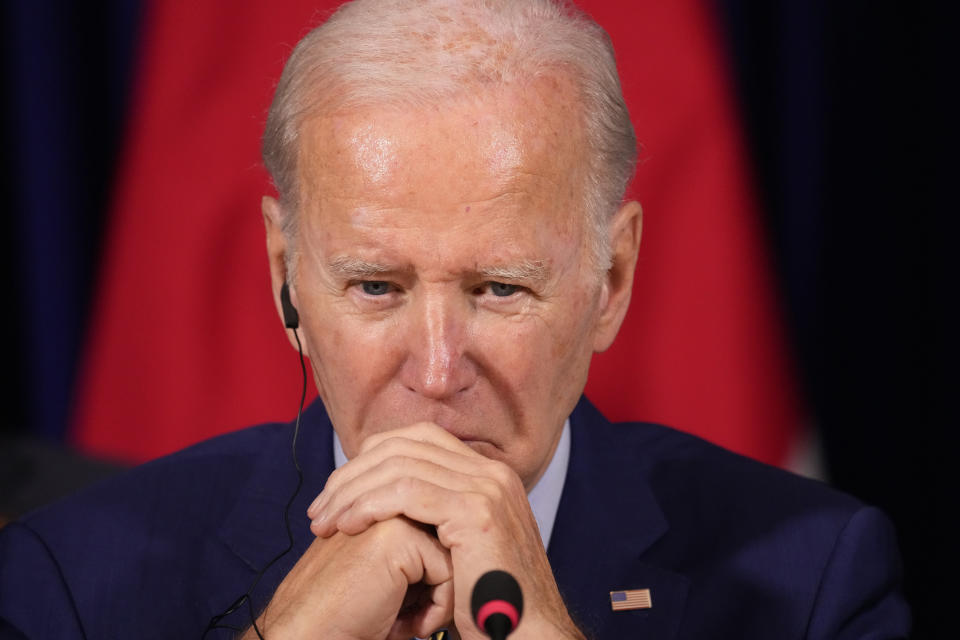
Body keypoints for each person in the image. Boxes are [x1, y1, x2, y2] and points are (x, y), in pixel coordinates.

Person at [0, 1, 910, 638]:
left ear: (614, 277)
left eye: (499, 289)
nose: (436, 371)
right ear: (288, 278)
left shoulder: (815, 580)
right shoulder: (73, 577)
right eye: (376, 288)